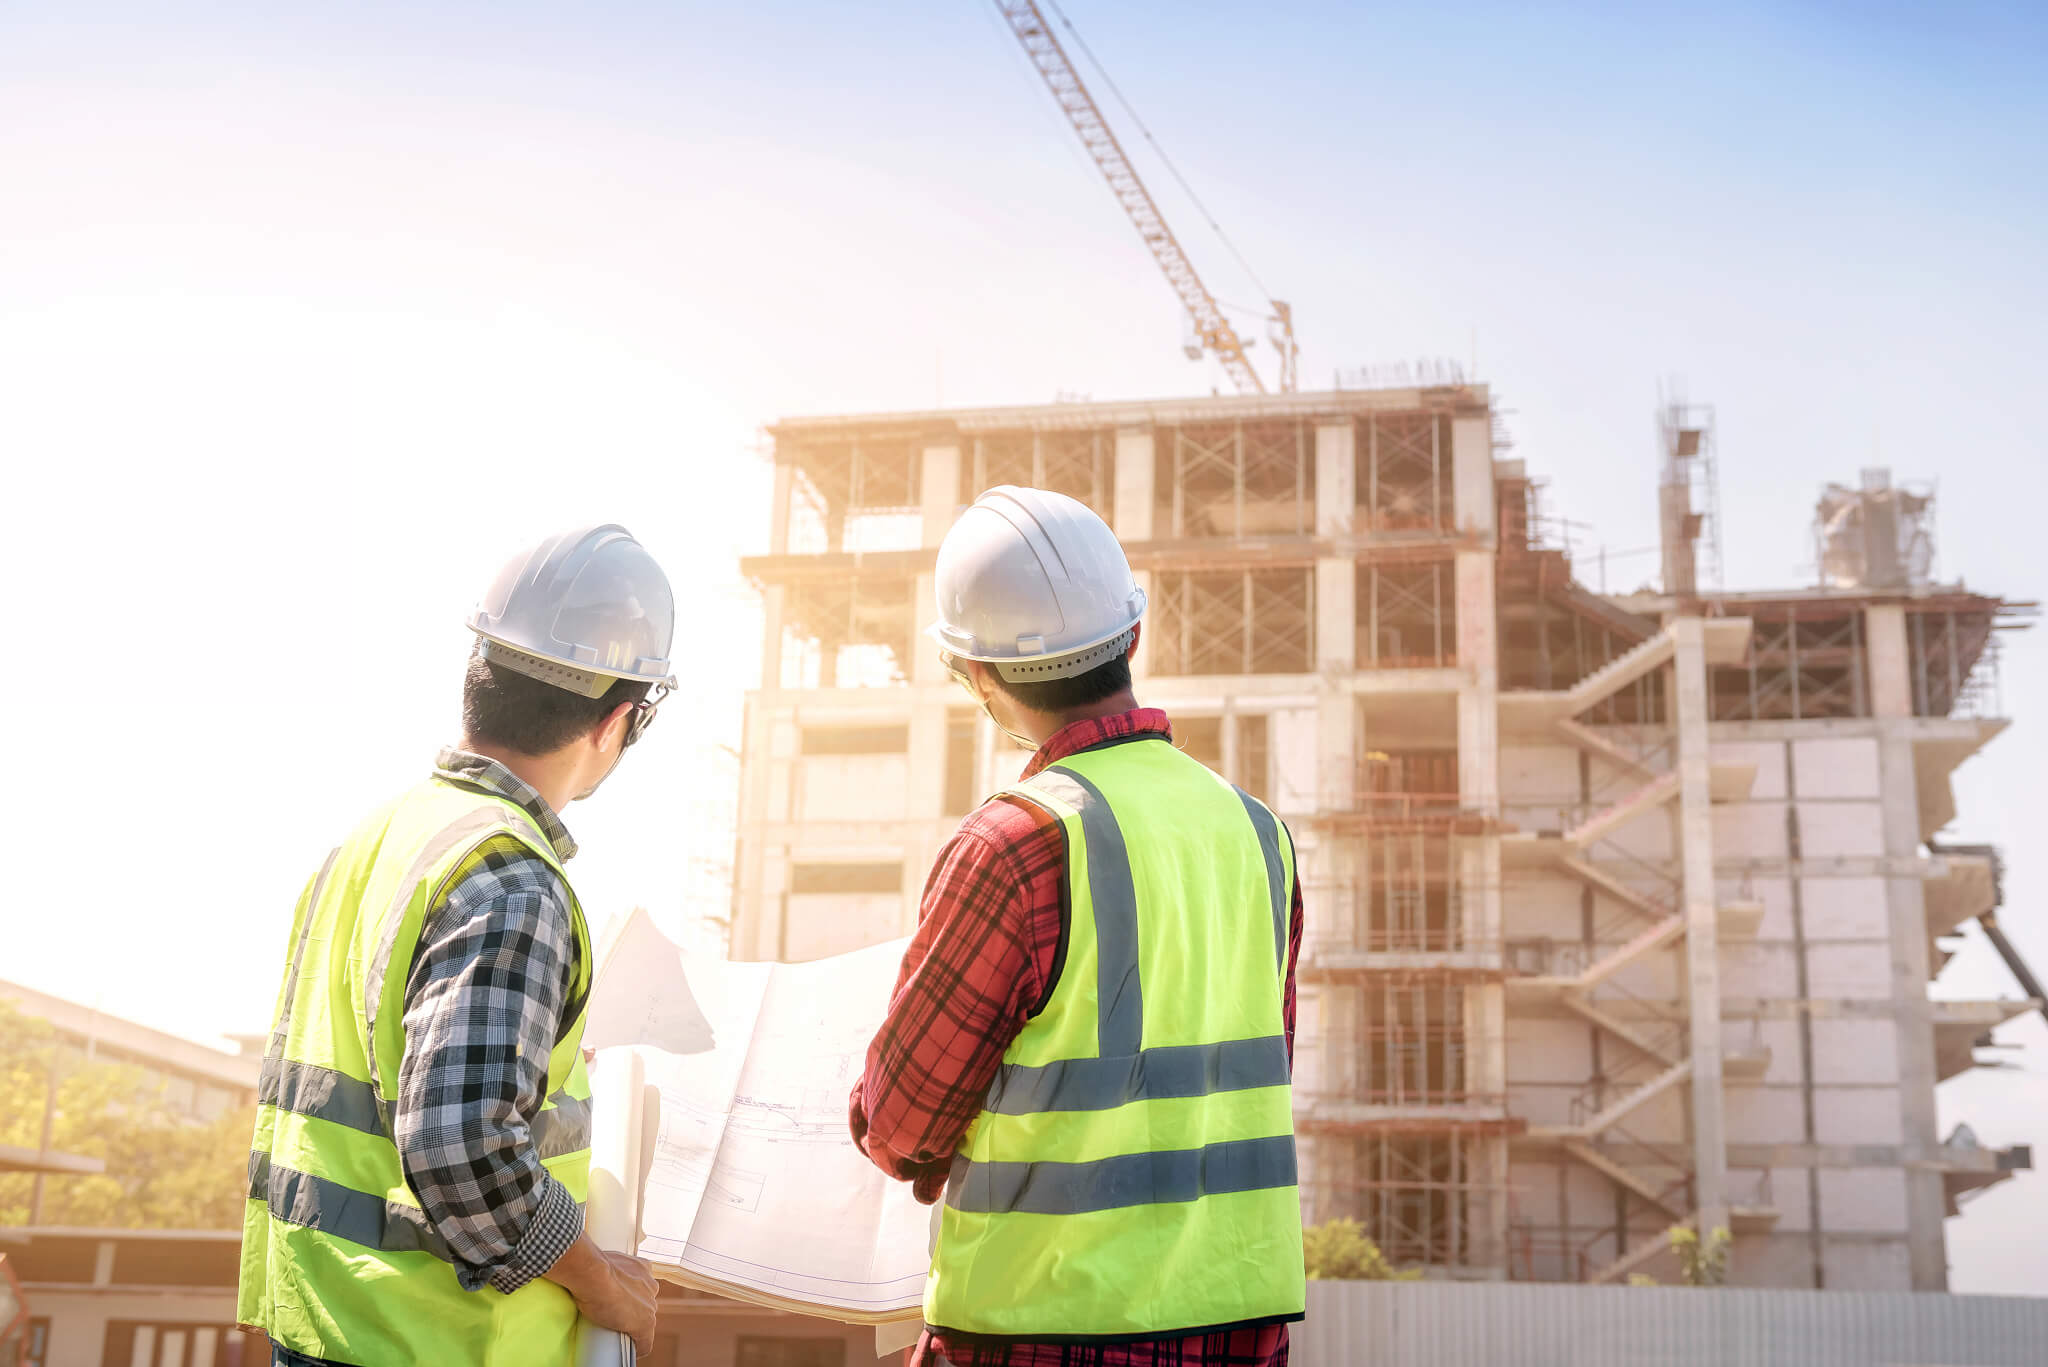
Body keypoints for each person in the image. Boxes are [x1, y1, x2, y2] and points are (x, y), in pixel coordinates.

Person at [850, 487, 1306, 1367]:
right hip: (1237, 1335)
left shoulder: (1017, 843)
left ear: (975, 676)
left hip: (1039, 1333)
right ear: (1132, 635)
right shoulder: (1261, 836)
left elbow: (902, 1125)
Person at [238, 525, 674, 1365]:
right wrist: (600, 1283)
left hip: (322, 1322)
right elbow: (462, 1148)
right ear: (618, 720)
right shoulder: (510, 877)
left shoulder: (376, 838)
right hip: (434, 1341)